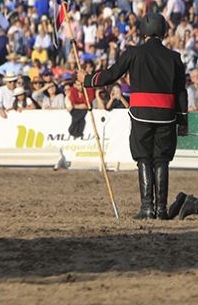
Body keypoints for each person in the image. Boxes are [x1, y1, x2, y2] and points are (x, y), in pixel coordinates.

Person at [77, 13, 188, 220]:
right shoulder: (174, 57)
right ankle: (161, 209)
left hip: (141, 114)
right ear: (164, 31)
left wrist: (88, 79)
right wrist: (183, 121)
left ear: (143, 31)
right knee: (162, 160)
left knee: (144, 159)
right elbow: (181, 92)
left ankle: (147, 209)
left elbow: (112, 74)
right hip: (166, 115)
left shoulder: (133, 52)